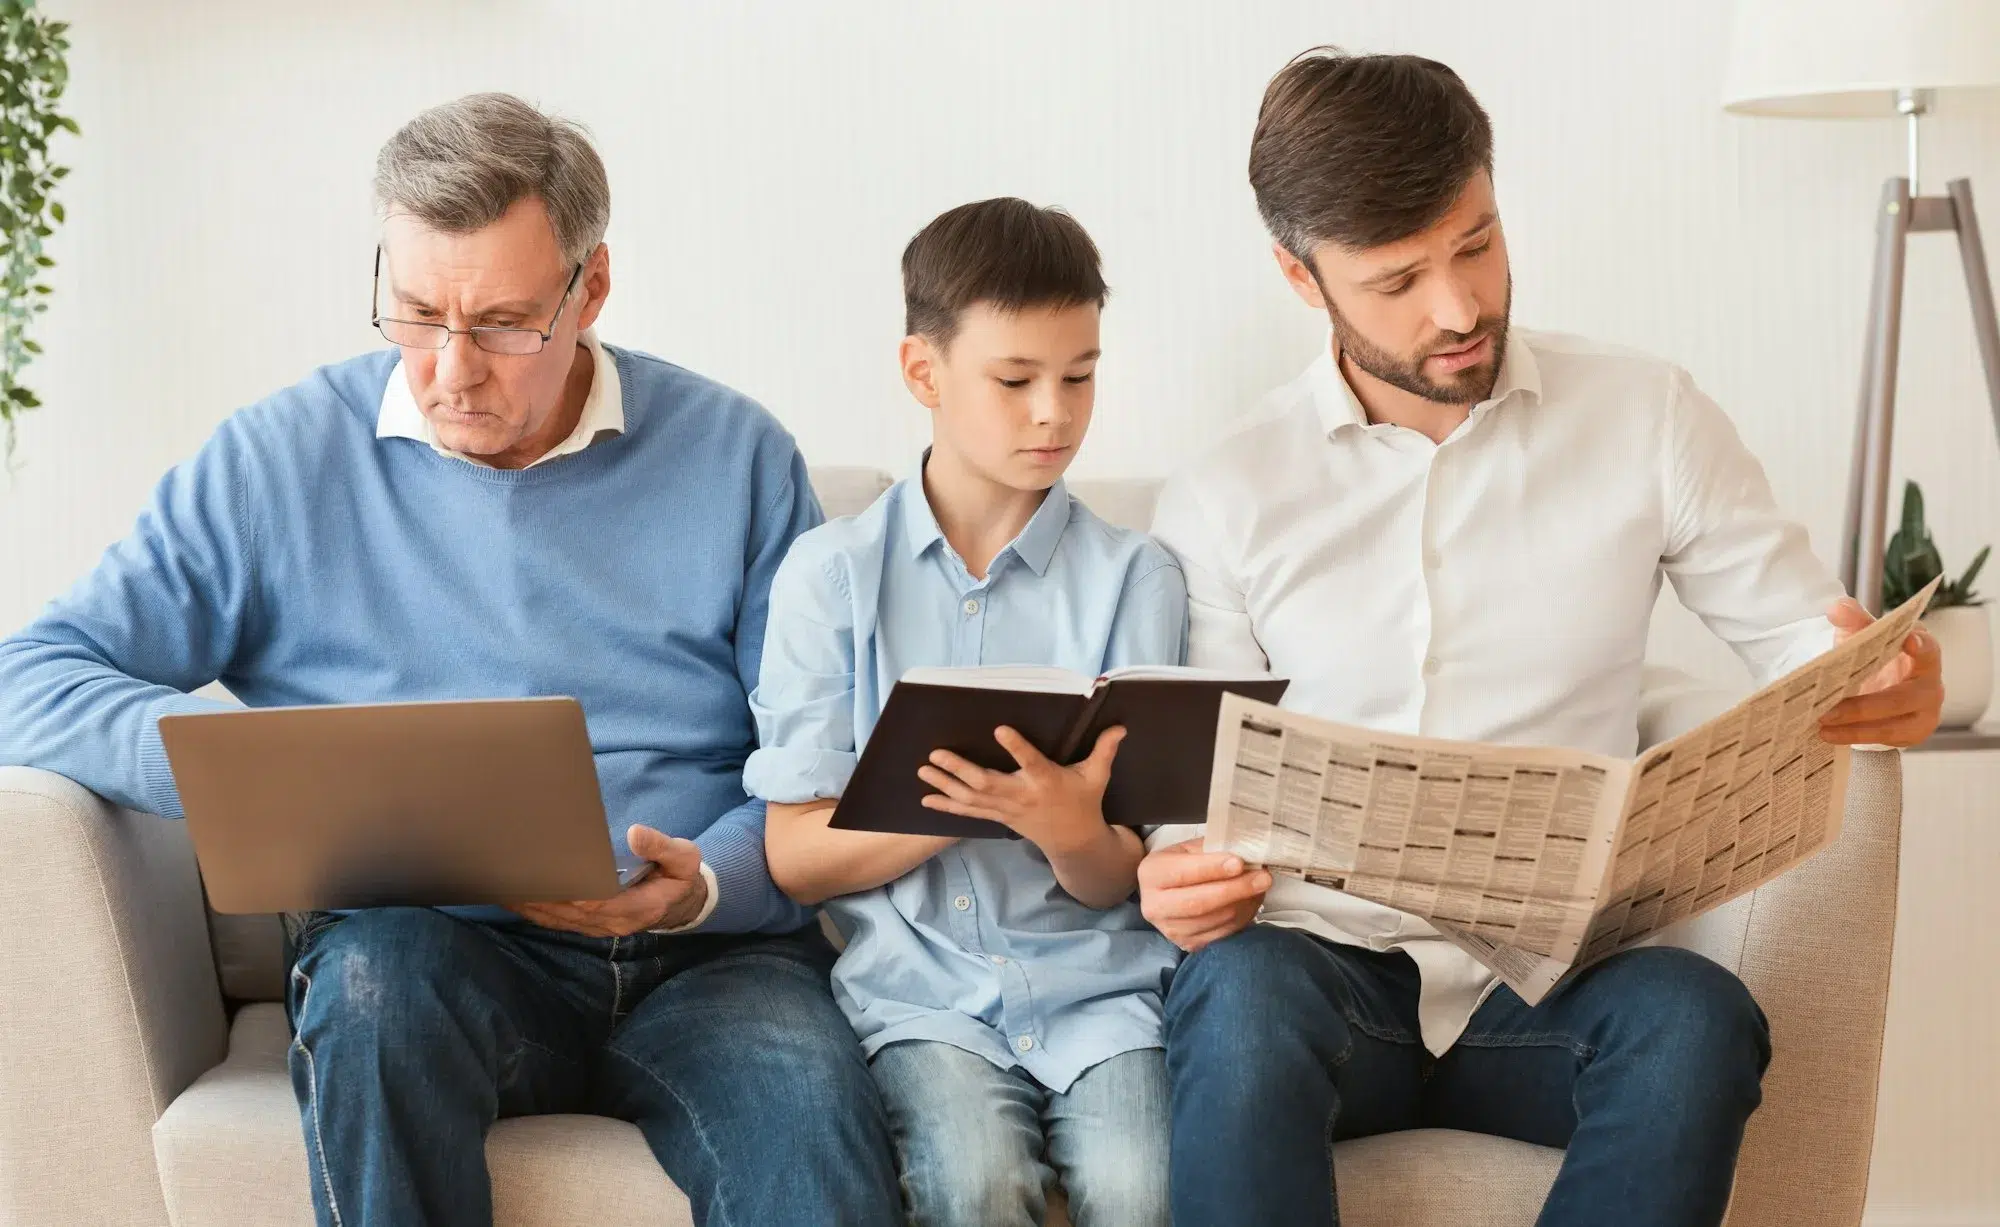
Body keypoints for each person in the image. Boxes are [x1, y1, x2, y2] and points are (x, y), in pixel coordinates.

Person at [0, 93, 900, 1227]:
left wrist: (702, 886)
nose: (450, 371)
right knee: (374, 987)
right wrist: (257, 765)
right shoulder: (278, 462)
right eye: (417, 314)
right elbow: (25, 675)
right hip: (430, 955)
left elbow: (823, 772)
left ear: (592, 290)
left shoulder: (736, 455)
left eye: (505, 324)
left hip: (711, 961)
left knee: (809, 1123)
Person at [1136, 49, 1946, 1227]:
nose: (1457, 309)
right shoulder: (1226, 491)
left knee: (1693, 1018)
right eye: (1397, 279)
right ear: (1300, 279)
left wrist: (1889, 693)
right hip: (1322, 982)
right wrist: (1180, 874)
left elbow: (1805, 648)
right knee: (1239, 987)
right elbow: (1187, 784)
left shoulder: (1643, 416)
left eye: (1475, 242)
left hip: (1549, 987)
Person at [747, 198, 1183, 1227]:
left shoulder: (1137, 579)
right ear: (922, 372)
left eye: (1079, 376)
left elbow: (1129, 871)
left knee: (1143, 1187)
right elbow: (792, 855)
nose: (1054, 414)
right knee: (971, 1182)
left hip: (1102, 995)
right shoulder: (831, 578)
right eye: (1015, 380)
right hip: (917, 1001)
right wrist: (958, 804)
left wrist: (1066, 826)